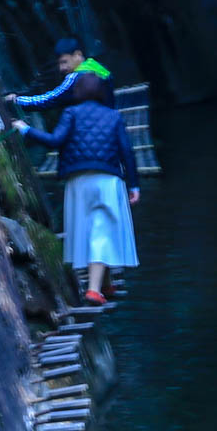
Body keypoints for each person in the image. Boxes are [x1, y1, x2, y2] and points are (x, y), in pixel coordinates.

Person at [12, 92, 139, 306]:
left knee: (92, 229)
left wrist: (26, 129)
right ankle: (93, 290)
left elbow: (55, 141)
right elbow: (126, 151)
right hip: (108, 180)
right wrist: (134, 183)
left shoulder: (70, 112)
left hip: (77, 181)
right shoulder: (113, 115)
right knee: (102, 231)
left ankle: (105, 283)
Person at [6, 37, 114, 111]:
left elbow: (50, 99)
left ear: (77, 54)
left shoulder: (75, 78)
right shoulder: (101, 69)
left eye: (64, 62)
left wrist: (17, 101)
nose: (62, 68)